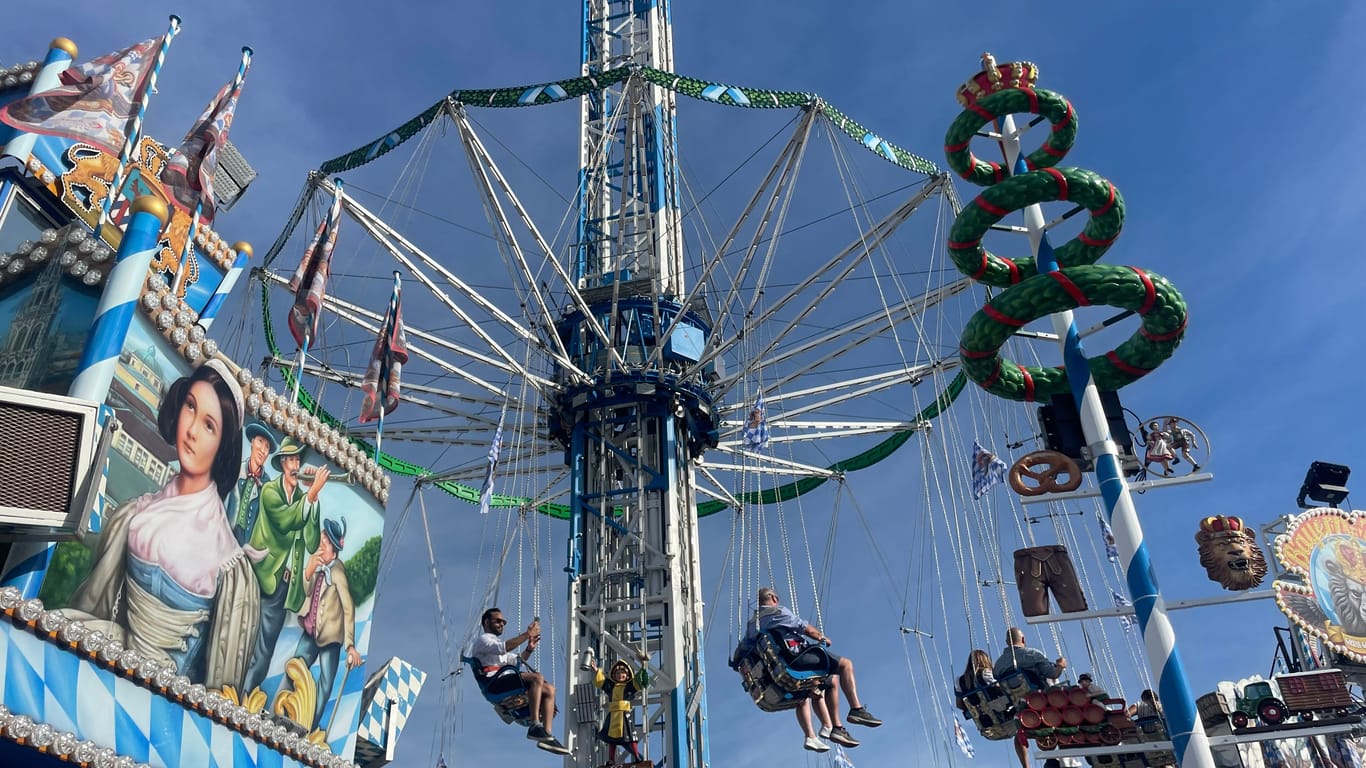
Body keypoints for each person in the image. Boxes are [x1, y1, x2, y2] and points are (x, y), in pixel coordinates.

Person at [68, 360, 259, 690]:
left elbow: (220, 689)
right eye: (190, 407)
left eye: (209, 425)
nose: (192, 430)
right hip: (108, 663)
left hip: (163, 704)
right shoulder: (136, 514)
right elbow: (96, 599)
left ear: (223, 446)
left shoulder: (228, 564)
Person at [745, 587, 882, 751]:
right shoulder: (778, 612)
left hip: (775, 670)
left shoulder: (752, 625)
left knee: (807, 693)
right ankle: (856, 710)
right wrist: (821, 637)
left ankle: (814, 734)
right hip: (796, 659)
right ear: (773, 598)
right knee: (845, 666)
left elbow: (745, 650)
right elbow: (805, 628)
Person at [243, 435, 326, 694]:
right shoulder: (270, 491)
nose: (295, 465)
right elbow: (285, 521)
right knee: (240, 636)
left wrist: (313, 499)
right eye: (289, 459)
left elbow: (312, 542)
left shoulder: (305, 499)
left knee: (265, 649)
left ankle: (243, 698)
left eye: (297, 459)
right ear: (281, 465)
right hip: (258, 575)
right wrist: (310, 496)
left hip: (283, 586)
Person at [290, 516, 363, 727]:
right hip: (311, 630)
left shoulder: (338, 571)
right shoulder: (318, 563)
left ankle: (309, 724)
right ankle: (283, 707)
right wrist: (309, 570)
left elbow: (348, 608)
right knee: (295, 665)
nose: (321, 543)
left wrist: (350, 645)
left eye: (324, 541)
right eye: (321, 539)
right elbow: (306, 589)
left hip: (330, 637)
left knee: (326, 680)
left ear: (333, 546)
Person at [470, 607, 570, 755]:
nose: (502, 624)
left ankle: (546, 735)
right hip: (494, 684)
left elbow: (517, 660)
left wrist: (529, 649)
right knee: (537, 678)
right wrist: (527, 634)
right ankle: (535, 725)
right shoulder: (484, 640)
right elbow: (504, 647)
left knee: (550, 690)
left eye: (503, 622)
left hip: (504, 681)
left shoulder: (496, 646)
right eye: (498, 621)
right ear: (486, 622)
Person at [228, 421, 277, 545]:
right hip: (226, 532)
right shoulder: (236, 469)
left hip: (246, 542)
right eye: (260, 441)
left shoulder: (267, 486)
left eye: (267, 447)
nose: (262, 450)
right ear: (252, 442)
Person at [588, 658, 644, 764]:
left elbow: (638, 682)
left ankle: (636, 756)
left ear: (627, 675)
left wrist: (643, 666)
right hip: (613, 715)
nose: (620, 675)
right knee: (611, 738)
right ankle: (611, 759)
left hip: (624, 714)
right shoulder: (611, 686)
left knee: (631, 736)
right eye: (618, 673)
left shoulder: (629, 686)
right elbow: (602, 682)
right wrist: (596, 670)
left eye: (622, 673)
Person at [994, 627, 1067, 688]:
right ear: (1023, 639)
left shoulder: (997, 665)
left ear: (1007, 642)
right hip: (1038, 696)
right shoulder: (1033, 654)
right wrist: (1060, 665)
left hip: (1014, 699)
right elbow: (1053, 674)